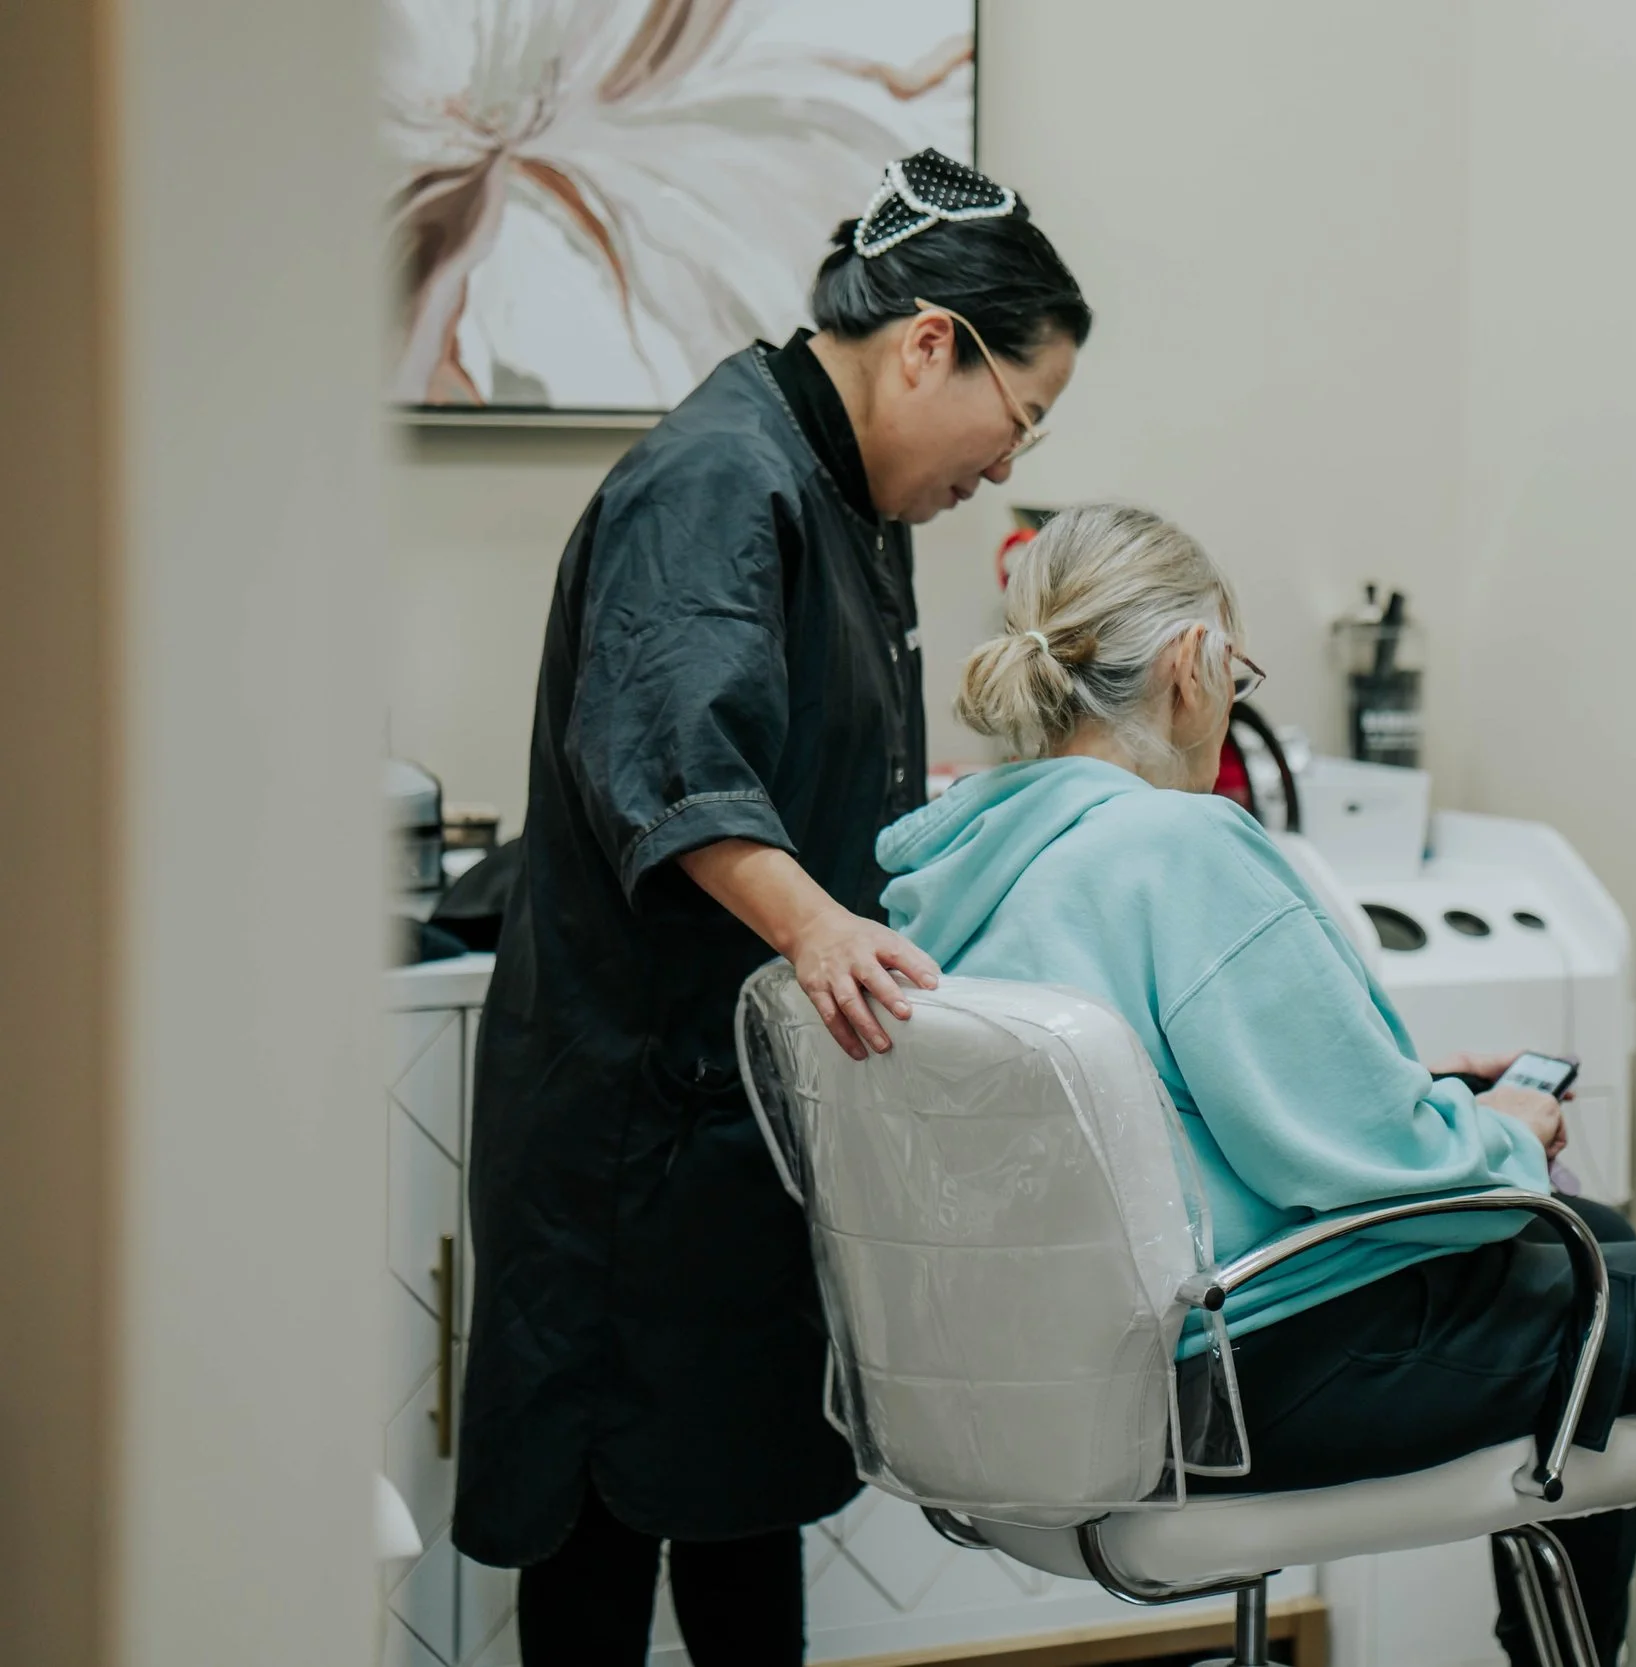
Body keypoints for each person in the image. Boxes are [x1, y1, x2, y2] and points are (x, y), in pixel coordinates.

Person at [875, 504, 1636, 1667]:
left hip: (1058, 1390)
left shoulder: (955, 868)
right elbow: (1376, 1162)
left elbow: (1149, 1103)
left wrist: (1427, 1093)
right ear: (1195, 667)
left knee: (1591, 1236)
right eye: (1236, 671)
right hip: (1247, 1377)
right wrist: (1504, 1125)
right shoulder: (1179, 845)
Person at [452, 152, 1089, 1667]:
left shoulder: (839, 490)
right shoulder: (722, 475)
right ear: (932, 342)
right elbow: (670, 759)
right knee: (603, 1525)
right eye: (1024, 415)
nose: (1008, 463)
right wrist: (815, 925)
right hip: (632, 1120)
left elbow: (815, 755)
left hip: (738, 1117)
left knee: (744, 1498)